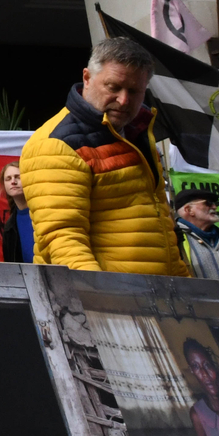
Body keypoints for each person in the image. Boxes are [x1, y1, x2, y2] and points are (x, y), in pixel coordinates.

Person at [21, 37, 186, 275]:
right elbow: (62, 238)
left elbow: (161, 226)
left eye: (134, 90)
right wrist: (100, 299)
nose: (123, 100)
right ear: (87, 78)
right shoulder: (55, 144)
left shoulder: (136, 133)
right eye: (113, 87)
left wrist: (183, 279)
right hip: (111, 300)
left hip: (156, 296)